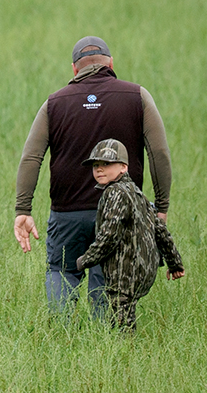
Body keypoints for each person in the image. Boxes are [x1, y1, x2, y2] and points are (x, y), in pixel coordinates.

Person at [14, 35, 172, 317]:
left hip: (67, 212)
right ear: (111, 64)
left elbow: (31, 157)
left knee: (61, 270)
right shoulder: (137, 96)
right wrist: (161, 207)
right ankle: (104, 338)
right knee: (108, 272)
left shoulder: (54, 103)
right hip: (121, 211)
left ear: (74, 69)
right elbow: (158, 152)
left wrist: (23, 209)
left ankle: (62, 335)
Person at [74, 139, 184, 331]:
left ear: (123, 167)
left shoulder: (115, 192)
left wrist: (85, 260)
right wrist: (174, 263)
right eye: (96, 165)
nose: (99, 169)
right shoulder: (136, 192)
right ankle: (124, 348)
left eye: (107, 164)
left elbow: (109, 235)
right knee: (124, 311)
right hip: (143, 269)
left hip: (125, 269)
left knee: (121, 319)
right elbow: (160, 229)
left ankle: (125, 353)